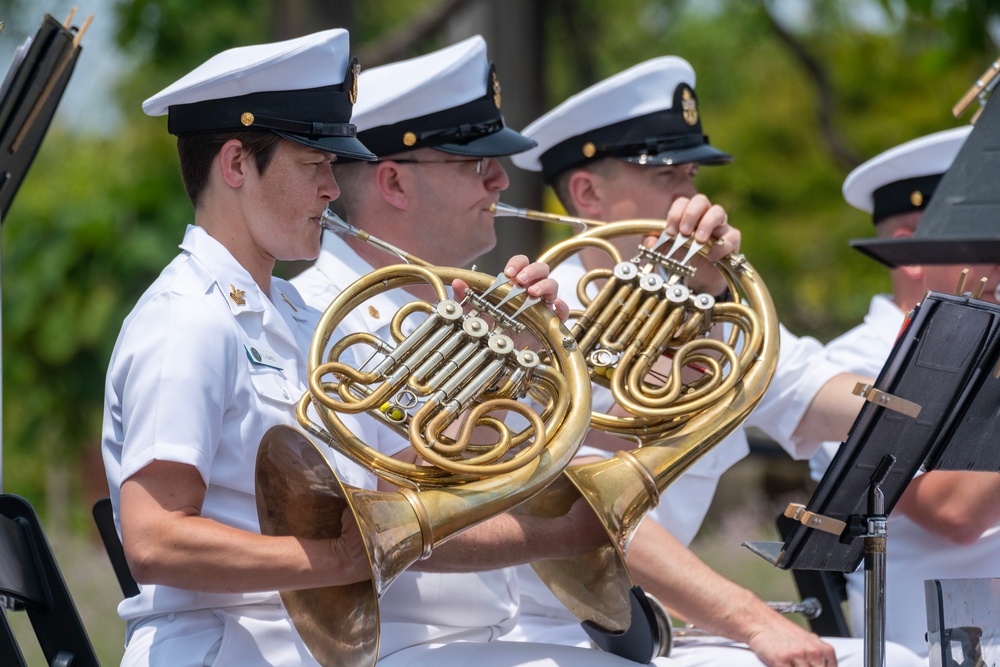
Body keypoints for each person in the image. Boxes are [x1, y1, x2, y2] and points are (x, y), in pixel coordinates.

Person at [102, 29, 602, 667]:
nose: (334, 189)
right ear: (235, 166)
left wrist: (510, 354)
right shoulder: (187, 322)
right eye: (314, 165)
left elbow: (421, 482)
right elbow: (155, 539)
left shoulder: (300, 317)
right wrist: (344, 555)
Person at [290, 36, 717, 667]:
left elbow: (639, 427)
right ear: (393, 183)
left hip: (487, 641)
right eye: (474, 163)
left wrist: (697, 292)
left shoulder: (462, 306)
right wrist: (503, 382)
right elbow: (362, 510)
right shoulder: (315, 321)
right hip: (396, 646)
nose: (502, 179)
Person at [506, 56, 923, 667]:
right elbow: (589, 503)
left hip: (644, 628)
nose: (691, 196)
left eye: (692, 175)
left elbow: (830, 398)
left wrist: (937, 398)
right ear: (587, 194)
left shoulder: (718, 313)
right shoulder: (530, 313)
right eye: (667, 175)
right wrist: (752, 619)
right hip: (541, 630)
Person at [807, 124, 1000, 658]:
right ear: (913, 252)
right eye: (987, 242)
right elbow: (955, 514)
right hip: (931, 650)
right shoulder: (849, 365)